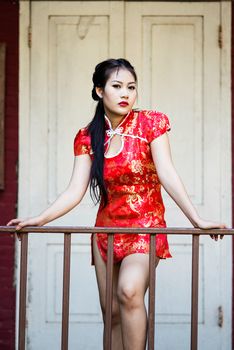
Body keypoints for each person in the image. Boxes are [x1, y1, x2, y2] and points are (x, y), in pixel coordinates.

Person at [8, 58, 225, 350]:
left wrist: (196, 219)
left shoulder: (151, 123)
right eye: (117, 86)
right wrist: (40, 219)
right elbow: (75, 190)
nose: (126, 94)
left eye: (131, 87)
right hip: (106, 233)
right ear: (99, 91)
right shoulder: (87, 137)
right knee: (111, 313)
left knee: (129, 291)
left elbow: (167, 174)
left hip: (145, 228)